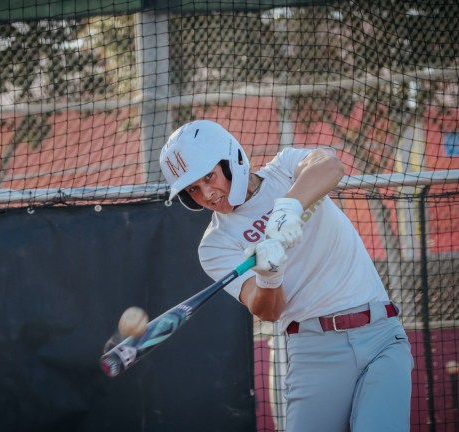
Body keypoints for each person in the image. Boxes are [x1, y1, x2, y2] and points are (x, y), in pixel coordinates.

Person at [159, 119, 413, 432]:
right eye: (193, 189)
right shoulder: (215, 245)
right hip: (313, 351)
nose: (208, 193)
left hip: (380, 334)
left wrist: (289, 207)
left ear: (230, 159)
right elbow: (266, 308)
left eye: (209, 177)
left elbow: (331, 166)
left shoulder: (284, 168)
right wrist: (269, 275)